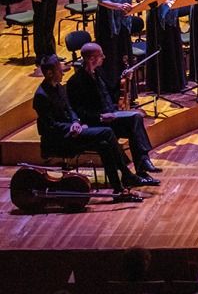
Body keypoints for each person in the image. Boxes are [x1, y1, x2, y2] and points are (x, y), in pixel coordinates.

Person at [33, 55, 143, 201]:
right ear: (49, 73)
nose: (63, 73)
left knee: (104, 145)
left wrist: (76, 121)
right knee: (107, 132)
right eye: (60, 70)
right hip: (60, 139)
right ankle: (127, 175)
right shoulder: (41, 96)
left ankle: (119, 190)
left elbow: (70, 109)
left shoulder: (59, 88)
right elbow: (50, 126)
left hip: (72, 131)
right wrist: (72, 126)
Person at [65, 41, 159, 183]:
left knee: (135, 121)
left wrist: (124, 78)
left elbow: (112, 94)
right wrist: (101, 117)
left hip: (112, 116)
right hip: (97, 123)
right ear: (91, 59)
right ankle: (139, 168)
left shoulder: (99, 72)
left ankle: (141, 167)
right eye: (100, 55)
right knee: (134, 119)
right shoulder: (75, 82)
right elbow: (79, 112)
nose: (104, 57)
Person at [92, 0, 143, 101]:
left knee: (125, 55)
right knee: (112, 58)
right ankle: (113, 98)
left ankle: (128, 95)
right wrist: (118, 6)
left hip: (122, 20)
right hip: (108, 21)